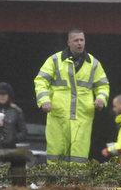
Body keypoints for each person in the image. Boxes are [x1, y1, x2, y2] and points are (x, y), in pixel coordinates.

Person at [34, 29, 110, 163]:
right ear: (69, 42)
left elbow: (103, 85)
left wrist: (101, 98)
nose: (80, 43)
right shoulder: (55, 60)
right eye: (76, 40)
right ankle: (55, 181)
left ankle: (76, 181)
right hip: (58, 116)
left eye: (82, 40)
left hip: (82, 117)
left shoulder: (93, 63)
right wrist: (44, 100)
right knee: (56, 152)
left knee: (79, 155)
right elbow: (40, 81)